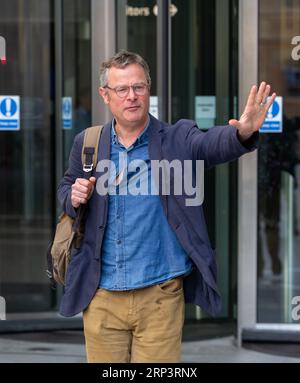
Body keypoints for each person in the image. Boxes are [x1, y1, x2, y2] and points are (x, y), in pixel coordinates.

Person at [57, 50, 276, 363]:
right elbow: (67, 186)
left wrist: (242, 132)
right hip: (102, 295)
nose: (131, 96)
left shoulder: (177, 138)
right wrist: (73, 195)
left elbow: (210, 144)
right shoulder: (88, 142)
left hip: (160, 296)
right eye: (122, 89)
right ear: (106, 96)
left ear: (148, 90)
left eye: (139, 87)